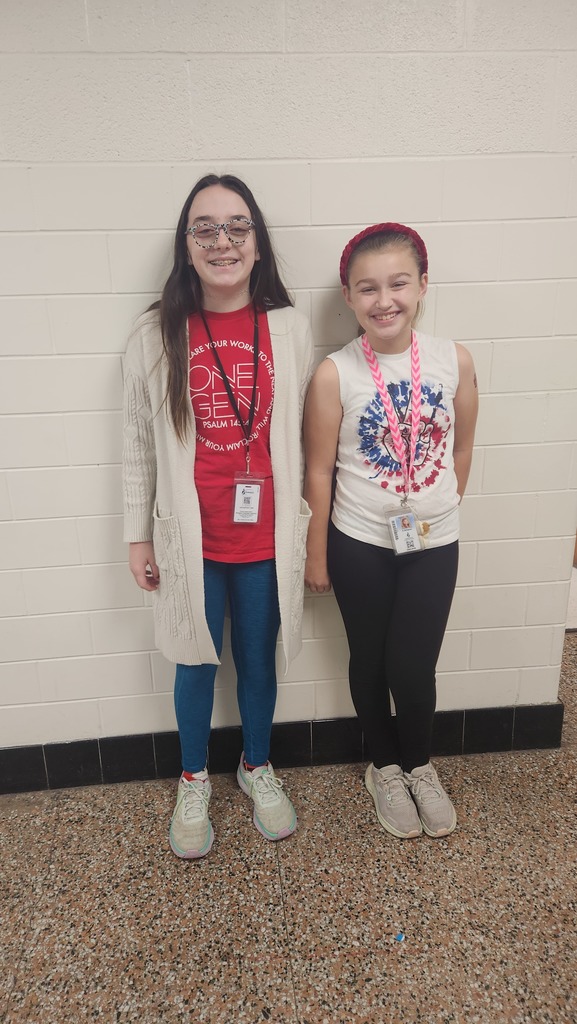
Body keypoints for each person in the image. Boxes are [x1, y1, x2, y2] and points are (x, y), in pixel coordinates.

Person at [123, 174, 314, 859]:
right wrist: (136, 534)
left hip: (264, 537)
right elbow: (138, 446)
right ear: (186, 246)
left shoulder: (290, 329)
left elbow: (303, 438)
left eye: (237, 227)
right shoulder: (155, 335)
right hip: (190, 540)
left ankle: (256, 764)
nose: (222, 241)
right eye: (204, 228)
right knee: (194, 661)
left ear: (257, 244)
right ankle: (194, 776)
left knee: (257, 658)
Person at [304, 222, 478, 839]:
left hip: (434, 542)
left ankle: (420, 764)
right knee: (371, 661)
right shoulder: (335, 374)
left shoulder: (452, 359)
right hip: (358, 543)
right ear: (348, 296)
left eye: (398, 283)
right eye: (367, 288)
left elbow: (462, 448)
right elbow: (318, 473)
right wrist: (317, 553)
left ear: (422, 285)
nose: (385, 300)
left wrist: (439, 500)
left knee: (413, 665)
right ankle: (384, 767)